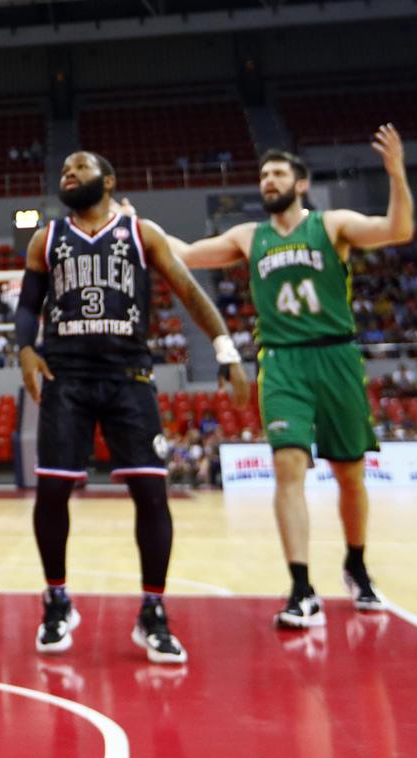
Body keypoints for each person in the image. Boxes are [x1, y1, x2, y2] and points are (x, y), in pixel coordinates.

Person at [154, 129, 412, 629]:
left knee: (349, 475)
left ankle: (356, 564)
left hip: (336, 357)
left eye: (277, 174)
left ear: (301, 183)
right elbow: (183, 253)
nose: (268, 181)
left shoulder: (332, 225)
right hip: (282, 362)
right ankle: (300, 586)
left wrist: (397, 174)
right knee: (288, 468)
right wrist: (134, 224)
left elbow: (397, 229)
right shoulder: (249, 237)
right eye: (263, 176)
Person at [17, 151, 249, 665]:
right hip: (67, 377)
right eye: (64, 169)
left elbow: (188, 289)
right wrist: (24, 348)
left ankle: (153, 611)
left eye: (80, 166)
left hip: (129, 378)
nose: (68, 173)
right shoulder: (46, 238)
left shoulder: (142, 233)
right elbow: (29, 303)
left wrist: (226, 349)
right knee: (53, 490)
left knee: (150, 492)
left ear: (109, 179)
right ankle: (56, 599)